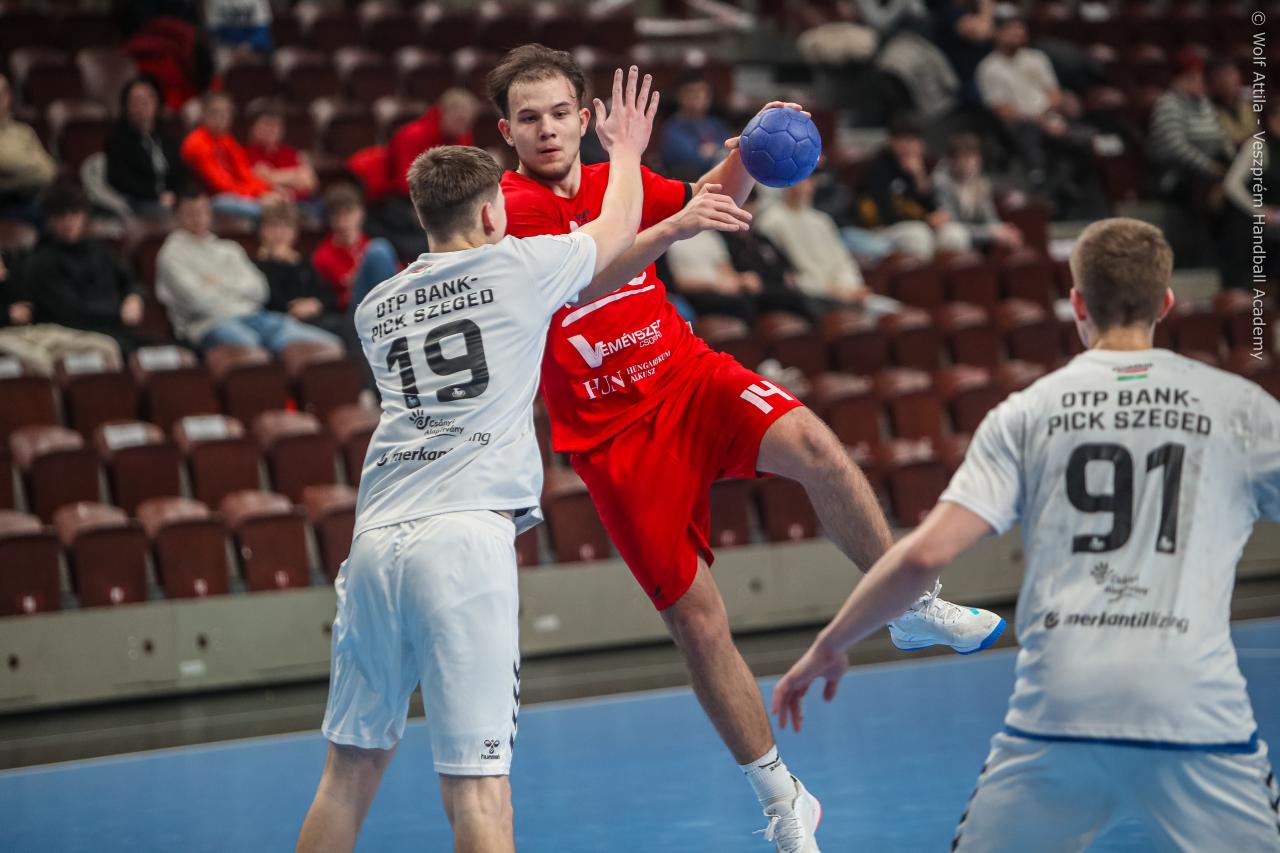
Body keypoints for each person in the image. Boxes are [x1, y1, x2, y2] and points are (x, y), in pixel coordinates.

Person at [490, 43, 1003, 852]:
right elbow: (584, 278)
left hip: (688, 377)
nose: (547, 129)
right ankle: (783, 796)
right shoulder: (506, 208)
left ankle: (910, 604)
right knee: (699, 624)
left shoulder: (616, 178)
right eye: (530, 118)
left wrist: (750, 156)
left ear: (585, 118)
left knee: (819, 446)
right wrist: (664, 210)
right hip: (613, 437)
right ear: (507, 132)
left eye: (560, 113)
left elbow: (707, 201)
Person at [774, 218, 1280, 851]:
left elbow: (924, 556)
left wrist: (831, 643)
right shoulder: (1239, 407)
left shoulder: (1029, 411)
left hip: (1061, 711)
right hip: (1199, 714)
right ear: (1167, 303)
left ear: (1077, 305)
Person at [295, 65, 659, 853]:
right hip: (463, 543)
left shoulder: (375, 306)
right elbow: (618, 228)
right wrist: (625, 151)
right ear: (494, 211)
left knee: (347, 773)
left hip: (375, 541)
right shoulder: (519, 266)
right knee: (479, 788)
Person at [155, 187, 340, 353]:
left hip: (253, 316)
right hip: (209, 325)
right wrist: (235, 288)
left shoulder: (229, 249)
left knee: (328, 344)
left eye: (203, 211)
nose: (199, 218)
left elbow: (259, 290)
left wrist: (216, 284)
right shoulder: (171, 255)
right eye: (191, 213)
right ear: (177, 215)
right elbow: (197, 302)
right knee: (251, 347)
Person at [24, 185, 157, 358]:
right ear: (51, 220)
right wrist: (118, 312)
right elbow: (70, 312)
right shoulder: (43, 260)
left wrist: (134, 296)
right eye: (62, 216)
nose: (69, 222)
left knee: (173, 353)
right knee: (125, 353)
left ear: (83, 216)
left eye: (74, 214)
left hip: (115, 329)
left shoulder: (99, 248)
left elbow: (128, 279)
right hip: (76, 335)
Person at [1148, 49, 1236, 269]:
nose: (1198, 83)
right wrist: (1209, 167)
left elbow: (1220, 136)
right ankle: (1199, 259)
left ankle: (1228, 257)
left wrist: (1234, 163)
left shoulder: (1203, 104)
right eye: (1193, 78)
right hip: (1177, 174)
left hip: (1209, 170)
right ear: (1180, 79)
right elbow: (1175, 147)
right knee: (1208, 188)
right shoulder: (1169, 104)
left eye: (1200, 78)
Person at [857, 114, 971, 261]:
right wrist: (925, 220)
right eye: (903, 139)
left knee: (955, 233)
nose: (908, 145)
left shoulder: (924, 165)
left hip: (919, 224)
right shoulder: (879, 166)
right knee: (918, 236)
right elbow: (885, 212)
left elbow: (932, 207)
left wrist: (919, 177)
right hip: (883, 228)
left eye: (913, 140)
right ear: (891, 141)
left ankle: (947, 276)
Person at [756, 176, 873, 307]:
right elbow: (784, 276)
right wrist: (829, 292)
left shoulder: (822, 220)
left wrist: (849, 287)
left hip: (845, 292)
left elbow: (843, 261)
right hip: (809, 299)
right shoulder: (770, 222)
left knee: (885, 308)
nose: (801, 186)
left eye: (806, 180)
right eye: (796, 181)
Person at [180, 91, 283, 219]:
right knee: (264, 209)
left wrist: (268, 190)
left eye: (226, 113)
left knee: (278, 202)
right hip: (207, 200)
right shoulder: (196, 142)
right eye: (215, 112)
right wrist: (258, 195)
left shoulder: (227, 140)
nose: (221, 117)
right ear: (203, 114)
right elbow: (220, 186)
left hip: (234, 196)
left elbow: (245, 174)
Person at [256, 200, 343, 338]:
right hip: (278, 324)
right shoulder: (255, 265)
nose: (279, 233)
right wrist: (275, 263)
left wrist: (316, 304)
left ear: (295, 233)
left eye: (286, 227)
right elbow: (272, 301)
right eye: (273, 226)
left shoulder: (302, 262)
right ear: (262, 231)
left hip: (312, 320)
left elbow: (329, 295)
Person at [104, 76, 187, 220]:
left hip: (170, 199)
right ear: (126, 105)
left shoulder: (167, 136)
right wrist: (157, 195)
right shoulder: (117, 140)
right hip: (137, 201)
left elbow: (182, 173)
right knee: (163, 213)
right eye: (137, 100)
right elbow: (120, 180)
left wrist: (176, 194)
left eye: (149, 98)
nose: (144, 104)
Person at [311, 184, 400, 316]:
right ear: (329, 219)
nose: (343, 222)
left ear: (361, 213)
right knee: (379, 250)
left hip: (383, 303)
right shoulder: (322, 256)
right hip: (354, 312)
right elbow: (328, 301)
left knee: (379, 249)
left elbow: (396, 275)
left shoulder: (370, 243)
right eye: (336, 215)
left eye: (348, 213)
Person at [931, 133, 1024, 253]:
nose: (968, 163)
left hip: (974, 236)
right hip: (950, 236)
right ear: (951, 160)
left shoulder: (981, 184)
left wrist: (1003, 230)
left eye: (972, 157)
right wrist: (990, 233)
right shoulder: (941, 183)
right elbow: (954, 223)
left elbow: (990, 218)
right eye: (963, 158)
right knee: (954, 233)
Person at [0, 72, 56, 224]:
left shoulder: (23, 131)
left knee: (67, 207)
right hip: (6, 201)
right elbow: (7, 162)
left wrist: (21, 168)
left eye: (4, 93)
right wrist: (32, 166)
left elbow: (49, 170)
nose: (1, 99)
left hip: (32, 195)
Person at [660, 73, 732, 182]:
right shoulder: (673, 127)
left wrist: (714, 150)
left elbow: (731, 148)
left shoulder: (716, 124)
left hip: (722, 178)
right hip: (691, 184)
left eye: (702, 92)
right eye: (691, 91)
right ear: (680, 95)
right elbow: (691, 160)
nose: (697, 96)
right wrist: (717, 152)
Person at [243, 102, 318, 207]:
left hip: (300, 203)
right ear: (252, 128)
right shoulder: (243, 153)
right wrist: (294, 175)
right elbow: (254, 181)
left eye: (278, 124)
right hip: (265, 205)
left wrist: (272, 176)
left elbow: (309, 182)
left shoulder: (289, 152)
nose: (273, 129)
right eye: (268, 124)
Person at [1208, 57, 1253, 151]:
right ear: (1212, 83)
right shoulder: (1208, 108)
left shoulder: (1253, 100)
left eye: (1230, 74)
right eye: (1220, 76)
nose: (1227, 81)